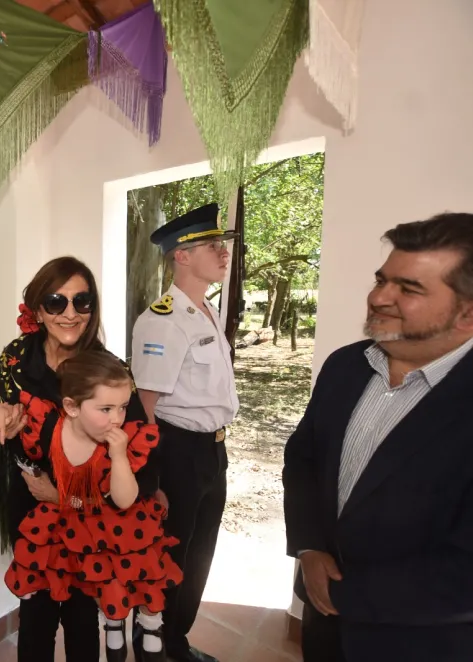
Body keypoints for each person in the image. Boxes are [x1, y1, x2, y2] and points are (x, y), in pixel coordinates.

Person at [283, 213, 473, 662]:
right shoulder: (345, 366)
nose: (378, 297)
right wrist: (309, 546)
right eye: (381, 279)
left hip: (421, 642)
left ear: (467, 313)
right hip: (324, 629)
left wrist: (348, 597)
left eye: (408, 289)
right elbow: (305, 458)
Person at [0, 256, 158, 662]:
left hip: (89, 517)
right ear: (38, 310)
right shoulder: (16, 358)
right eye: (57, 302)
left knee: (80, 615)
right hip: (33, 513)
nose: (71, 314)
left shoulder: (106, 367)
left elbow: (138, 457)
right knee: (36, 615)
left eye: (83, 301)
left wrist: (65, 495)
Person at [4, 351, 182, 662]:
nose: (117, 419)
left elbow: (122, 500)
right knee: (37, 617)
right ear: (71, 406)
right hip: (55, 539)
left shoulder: (117, 443)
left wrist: (118, 456)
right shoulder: (47, 428)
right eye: (106, 408)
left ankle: (131, 632)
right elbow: (28, 469)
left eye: (123, 407)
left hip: (95, 542)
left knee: (84, 622)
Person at [130, 203, 239, 662]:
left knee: (200, 554)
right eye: (211, 245)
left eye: (222, 244)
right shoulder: (162, 318)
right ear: (182, 257)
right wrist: (151, 482)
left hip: (212, 451)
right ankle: (152, 642)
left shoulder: (206, 311)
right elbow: (146, 409)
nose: (223, 252)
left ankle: (176, 641)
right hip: (176, 452)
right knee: (170, 556)